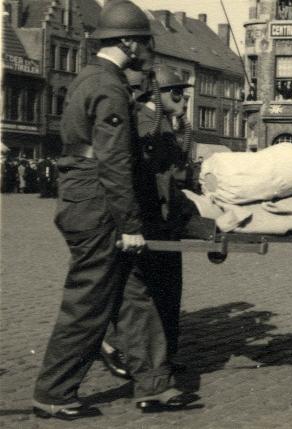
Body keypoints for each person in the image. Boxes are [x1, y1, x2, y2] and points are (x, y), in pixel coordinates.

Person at [31, 1, 199, 420]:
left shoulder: (91, 77)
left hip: (88, 197)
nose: (148, 51)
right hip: (98, 205)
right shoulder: (108, 85)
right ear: (128, 42)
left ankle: (154, 386)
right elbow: (113, 160)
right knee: (89, 301)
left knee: (135, 297)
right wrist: (130, 224)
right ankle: (53, 393)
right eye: (144, 42)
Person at [102, 65, 196, 375]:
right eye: (179, 94)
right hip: (146, 216)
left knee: (169, 287)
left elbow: (176, 175)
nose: (184, 103)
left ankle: (164, 354)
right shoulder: (142, 120)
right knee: (139, 289)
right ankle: (116, 346)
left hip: (167, 218)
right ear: (161, 93)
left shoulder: (167, 125)